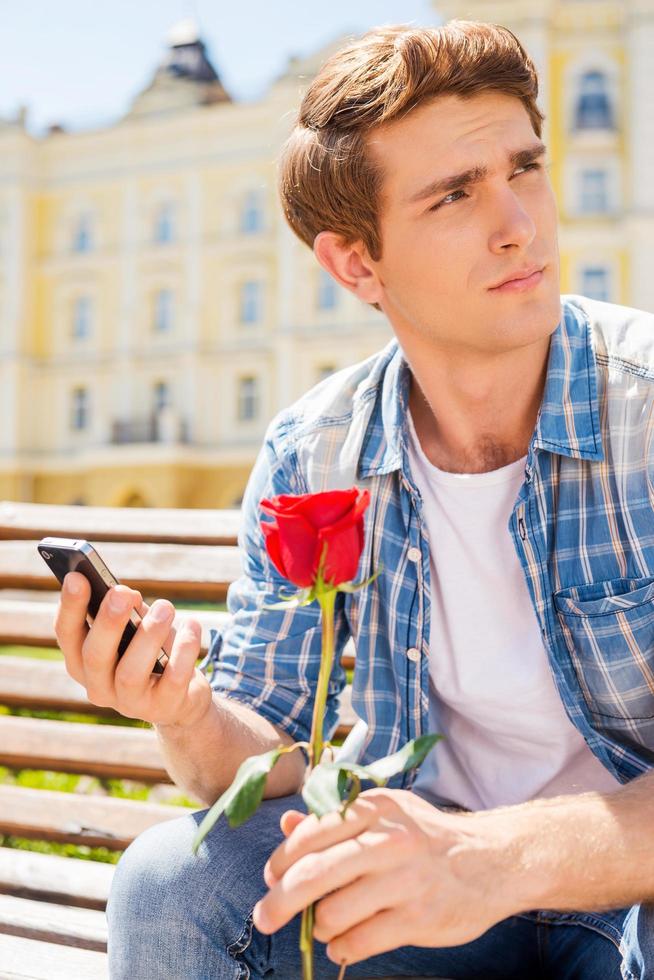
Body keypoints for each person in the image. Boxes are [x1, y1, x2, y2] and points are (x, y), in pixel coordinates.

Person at [54, 20, 654, 980]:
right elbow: (270, 750)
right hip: (426, 904)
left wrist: (492, 860)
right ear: (356, 265)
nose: (521, 223)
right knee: (172, 883)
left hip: (631, 898)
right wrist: (185, 712)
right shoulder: (314, 449)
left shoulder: (645, 409)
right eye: (456, 194)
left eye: (524, 168)